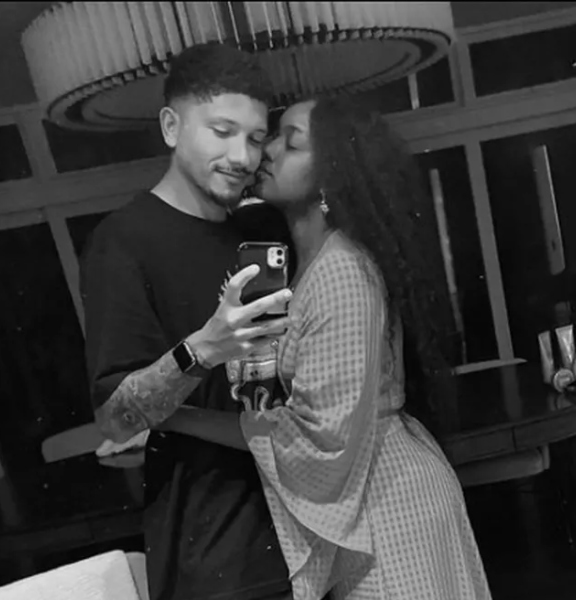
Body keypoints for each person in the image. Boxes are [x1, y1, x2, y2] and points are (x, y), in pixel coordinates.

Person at [158, 97, 493, 600]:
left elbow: (319, 437)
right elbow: (288, 412)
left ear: (332, 174)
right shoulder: (307, 266)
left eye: (290, 142)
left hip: (387, 511)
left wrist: (175, 417)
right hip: (374, 497)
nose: (268, 150)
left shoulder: (341, 272)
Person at [81, 42, 294, 600]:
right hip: (217, 552)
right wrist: (202, 349)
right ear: (172, 127)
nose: (242, 156)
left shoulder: (262, 229)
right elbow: (115, 419)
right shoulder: (123, 242)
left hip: (302, 526)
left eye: (255, 138)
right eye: (222, 131)